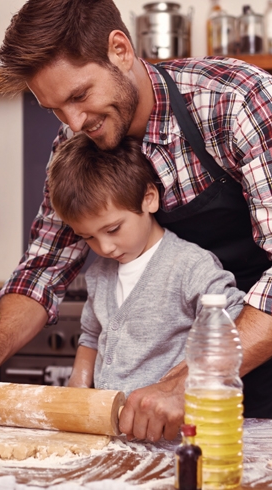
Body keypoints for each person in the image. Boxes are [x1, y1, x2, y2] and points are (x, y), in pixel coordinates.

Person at [0, 0, 272, 442]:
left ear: (120, 50)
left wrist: (185, 383)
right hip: (166, 394)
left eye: (79, 96)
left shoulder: (233, 102)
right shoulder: (77, 141)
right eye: (54, 109)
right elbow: (41, 274)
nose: (73, 122)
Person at [48, 133, 245, 395]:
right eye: (88, 237)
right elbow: (91, 336)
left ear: (149, 198)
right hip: (112, 425)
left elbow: (232, 324)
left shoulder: (190, 266)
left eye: (114, 229)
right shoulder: (99, 275)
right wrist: (78, 389)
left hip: (173, 427)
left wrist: (181, 385)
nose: (104, 248)